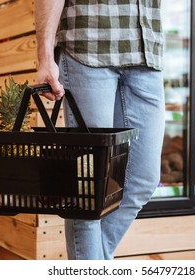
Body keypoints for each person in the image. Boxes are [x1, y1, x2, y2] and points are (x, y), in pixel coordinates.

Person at [34, 0, 165, 260]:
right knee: (89, 188)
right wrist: (45, 57)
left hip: (146, 51)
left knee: (142, 180)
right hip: (88, 45)